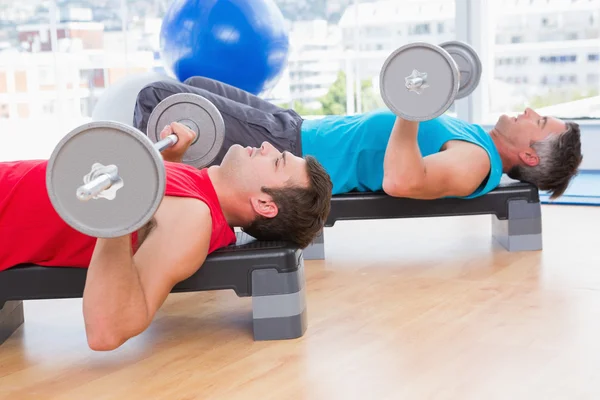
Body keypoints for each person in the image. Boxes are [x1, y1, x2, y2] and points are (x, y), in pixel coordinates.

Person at [0, 124, 332, 351]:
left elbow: (107, 331)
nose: (267, 145)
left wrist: (119, 212)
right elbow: (148, 226)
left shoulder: (195, 220)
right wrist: (165, 162)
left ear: (264, 204)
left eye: (276, 161)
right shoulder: (198, 191)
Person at [135, 76, 583, 200]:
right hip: (297, 126)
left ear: (527, 153)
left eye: (539, 121)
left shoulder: (475, 163)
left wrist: (411, 111)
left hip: (290, 152)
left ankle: (142, 205)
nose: (529, 111)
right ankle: (186, 189)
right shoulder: (476, 137)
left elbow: (403, 182)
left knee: (158, 97)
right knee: (197, 85)